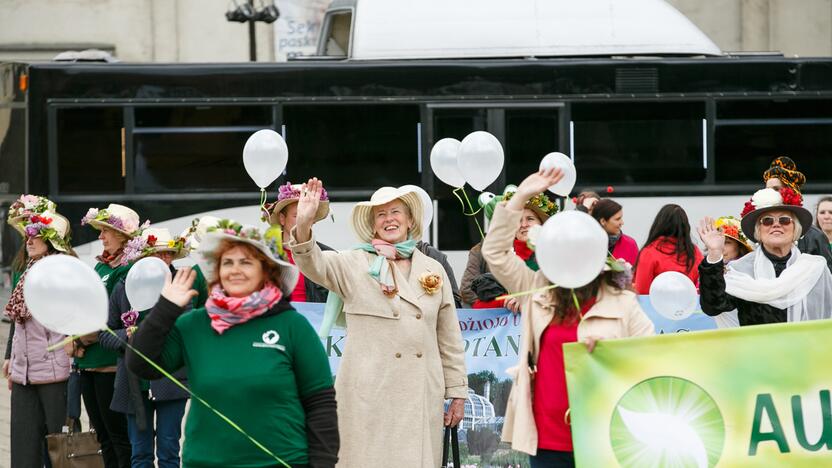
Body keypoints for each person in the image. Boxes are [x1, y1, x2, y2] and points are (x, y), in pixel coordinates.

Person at [127, 218, 338, 467]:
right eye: (227, 262)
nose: (235, 269)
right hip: (204, 462)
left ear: (266, 271)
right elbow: (141, 365)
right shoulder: (193, 325)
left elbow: (320, 402)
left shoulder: (292, 325)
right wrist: (165, 308)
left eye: (246, 262)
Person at [481, 168, 654, 467]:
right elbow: (495, 253)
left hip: (606, 433)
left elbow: (652, 363)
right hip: (548, 438)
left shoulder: (623, 302)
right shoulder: (537, 288)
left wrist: (613, 355)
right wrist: (520, 197)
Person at [289, 180, 467, 467]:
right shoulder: (352, 262)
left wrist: (457, 392)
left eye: (395, 212)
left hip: (421, 394)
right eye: (381, 215)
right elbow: (313, 263)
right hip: (368, 396)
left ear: (410, 220)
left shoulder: (433, 268)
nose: (389, 219)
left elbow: (449, 336)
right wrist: (304, 226)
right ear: (373, 225)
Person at [98, 227, 206, 468]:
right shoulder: (123, 286)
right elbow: (104, 336)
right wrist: (128, 335)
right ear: (143, 257)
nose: (163, 259)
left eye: (168, 254)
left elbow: (187, 331)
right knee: (140, 454)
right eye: (158, 254)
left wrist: (154, 332)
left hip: (170, 380)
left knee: (169, 451)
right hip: (132, 380)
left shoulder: (182, 287)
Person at [3, 196, 75, 468]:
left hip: (55, 373)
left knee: (60, 451)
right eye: (27, 236)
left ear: (52, 241)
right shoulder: (26, 272)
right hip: (24, 373)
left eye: (35, 235)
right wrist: (11, 356)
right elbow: (17, 320)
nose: (28, 240)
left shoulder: (64, 273)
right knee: (22, 450)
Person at [78, 203, 148, 468]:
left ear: (124, 236)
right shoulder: (101, 267)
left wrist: (87, 336)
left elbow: (124, 319)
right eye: (101, 231)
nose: (101, 237)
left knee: (119, 437)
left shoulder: (129, 270)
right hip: (88, 361)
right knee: (103, 437)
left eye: (107, 231)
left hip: (109, 362)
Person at [698, 187, 832, 326]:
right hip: (756, 347)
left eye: (784, 220)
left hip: (806, 347)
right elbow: (713, 307)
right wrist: (714, 253)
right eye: (767, 221)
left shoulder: (814, 268)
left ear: (795, 230)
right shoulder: (740, 270)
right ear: (758, 231)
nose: (776, 224)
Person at [460, 188, 557, 310]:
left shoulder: (555, 254)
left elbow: (563, 294)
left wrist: (526, 298)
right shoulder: (502, 256)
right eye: (518, 220)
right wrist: (505, 301)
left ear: (542, 223)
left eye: (530, 219)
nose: (523, 225)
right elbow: (476, 301)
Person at [264, 181, 335, 302]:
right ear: (282, 219)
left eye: (308, 215)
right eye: (297, 216)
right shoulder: (262, 254)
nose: (303, 220)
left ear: (313, 220)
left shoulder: (328, 256)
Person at [763, 156, 832, 269]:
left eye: (776, 189)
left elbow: (827, 279)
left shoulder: (814, 236)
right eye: (767, 189)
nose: (770, 194)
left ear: (790, 191)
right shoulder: (759, 229)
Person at [633, 204, 703, 294]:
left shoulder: (649, 252)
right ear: (685, 226)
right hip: (688, 306)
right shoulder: (694, 252)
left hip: (654, 306)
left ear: (659, 224)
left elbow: (642, 291)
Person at [698, 216, 753, 328]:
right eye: (718, 241)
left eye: (727, 242)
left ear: (740, 246)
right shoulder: (708, 270)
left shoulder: (750, 271)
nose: (721, 247)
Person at [591, 198, 638, 265]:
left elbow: (636, 273)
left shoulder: (630, 244)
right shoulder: (588, 244)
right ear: (603, 221)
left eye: (621, 218)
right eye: (617, 219)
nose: (622, 222)